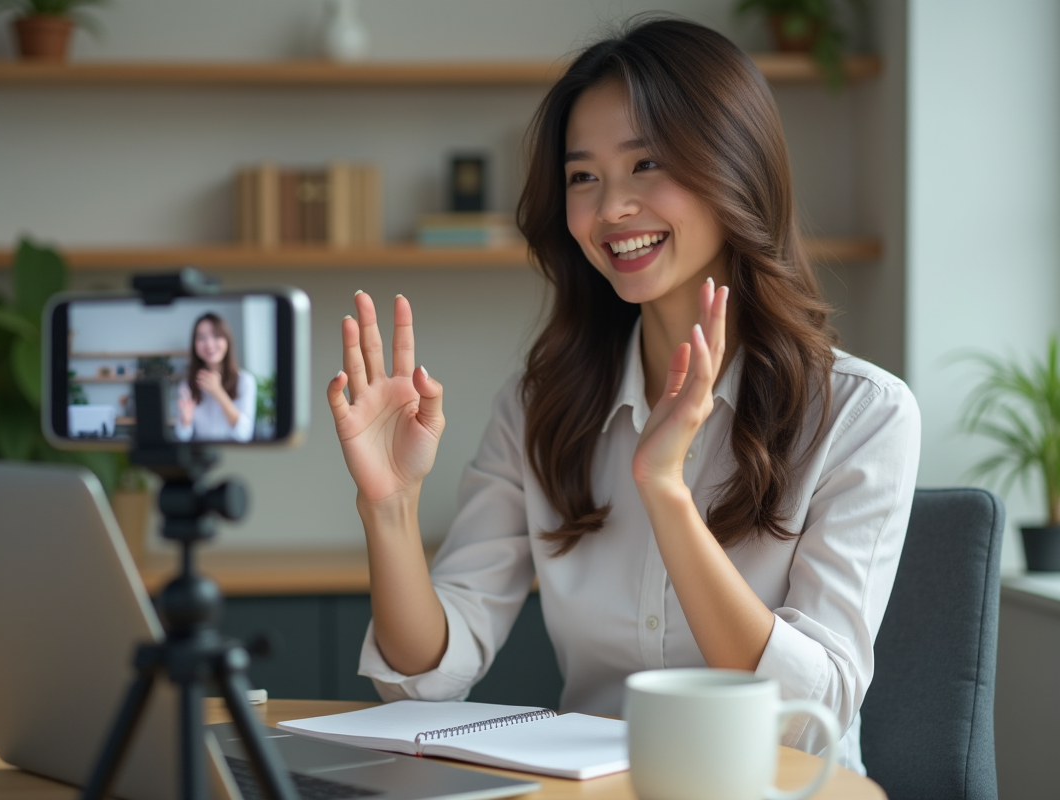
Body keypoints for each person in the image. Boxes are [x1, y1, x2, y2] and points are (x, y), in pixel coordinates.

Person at [326, 18, 919, 775]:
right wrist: (390, 505)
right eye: (583, 177)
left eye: (647, 164)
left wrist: (664, 490)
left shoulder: (862, 415)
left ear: (734, 167)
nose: (610, 209)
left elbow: (809, 722)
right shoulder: (540, 408)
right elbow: (425, 676)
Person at [175, 312, 256, 443]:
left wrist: (218, 392)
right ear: (194, 344)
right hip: (201, 453)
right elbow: (182, 437)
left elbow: (244, 435)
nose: (209, 344)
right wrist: (186, 420)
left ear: (227, 340)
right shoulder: (187, 384)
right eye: (201, 338)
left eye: (216, 335)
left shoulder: (245, 380)